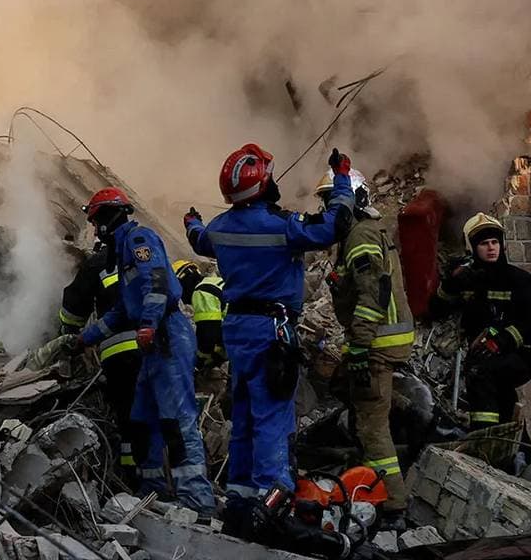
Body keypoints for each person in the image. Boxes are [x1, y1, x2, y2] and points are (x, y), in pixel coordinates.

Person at [185, 143, 353, 536]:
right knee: (273, 418)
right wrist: (342, 177)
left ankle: (241, 507)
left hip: (238, 331)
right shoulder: (282, 226)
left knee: (243, 418)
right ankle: (273, 508)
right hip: (272, 331)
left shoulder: (220, 228)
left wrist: (191, 220)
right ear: (264, 183)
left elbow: (198, 239)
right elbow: (335, 225)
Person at [77, 187, 217, 512]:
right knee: (142, 420)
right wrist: (85, 339)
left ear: (112, 216)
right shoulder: (122, 255)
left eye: (98, 221)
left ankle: (197, 502)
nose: (97, 230)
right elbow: (120, 313)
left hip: (167, 334)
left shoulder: (139, 240)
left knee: (176, 420)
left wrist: (149, 324)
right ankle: (153, 494)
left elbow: (158, 283)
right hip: (153, 344)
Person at [323, 149, 414, 524]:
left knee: (371, 425)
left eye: (334, 200)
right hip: (385, 340)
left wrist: (358, 346)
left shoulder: (359, 234)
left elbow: (370, 295)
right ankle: (372, 481)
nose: (331, 209)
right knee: (363, 406)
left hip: (375, 344)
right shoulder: (364, 232)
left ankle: (392, 503)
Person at [433, 212, 531, 429]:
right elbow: (436, 309)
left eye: (495, 242)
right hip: (483, 352)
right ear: (473, 248)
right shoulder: (469, 279)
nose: (491, 248)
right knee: (501, 395)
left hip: (523, 352)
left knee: (482, 373)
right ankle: (517, 450)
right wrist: (452, 284)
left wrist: (500, 341)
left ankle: (484, 437)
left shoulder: (519, 279)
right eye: (484, 243)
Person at [59, 237, 144, 477]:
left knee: (126, 416)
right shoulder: (144, 257)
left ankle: (130, 474)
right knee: (155, 413)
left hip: (119, 353)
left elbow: (73, 309)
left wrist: (69, 335)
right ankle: (158, 478)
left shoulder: (98, 263)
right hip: (155, 347)